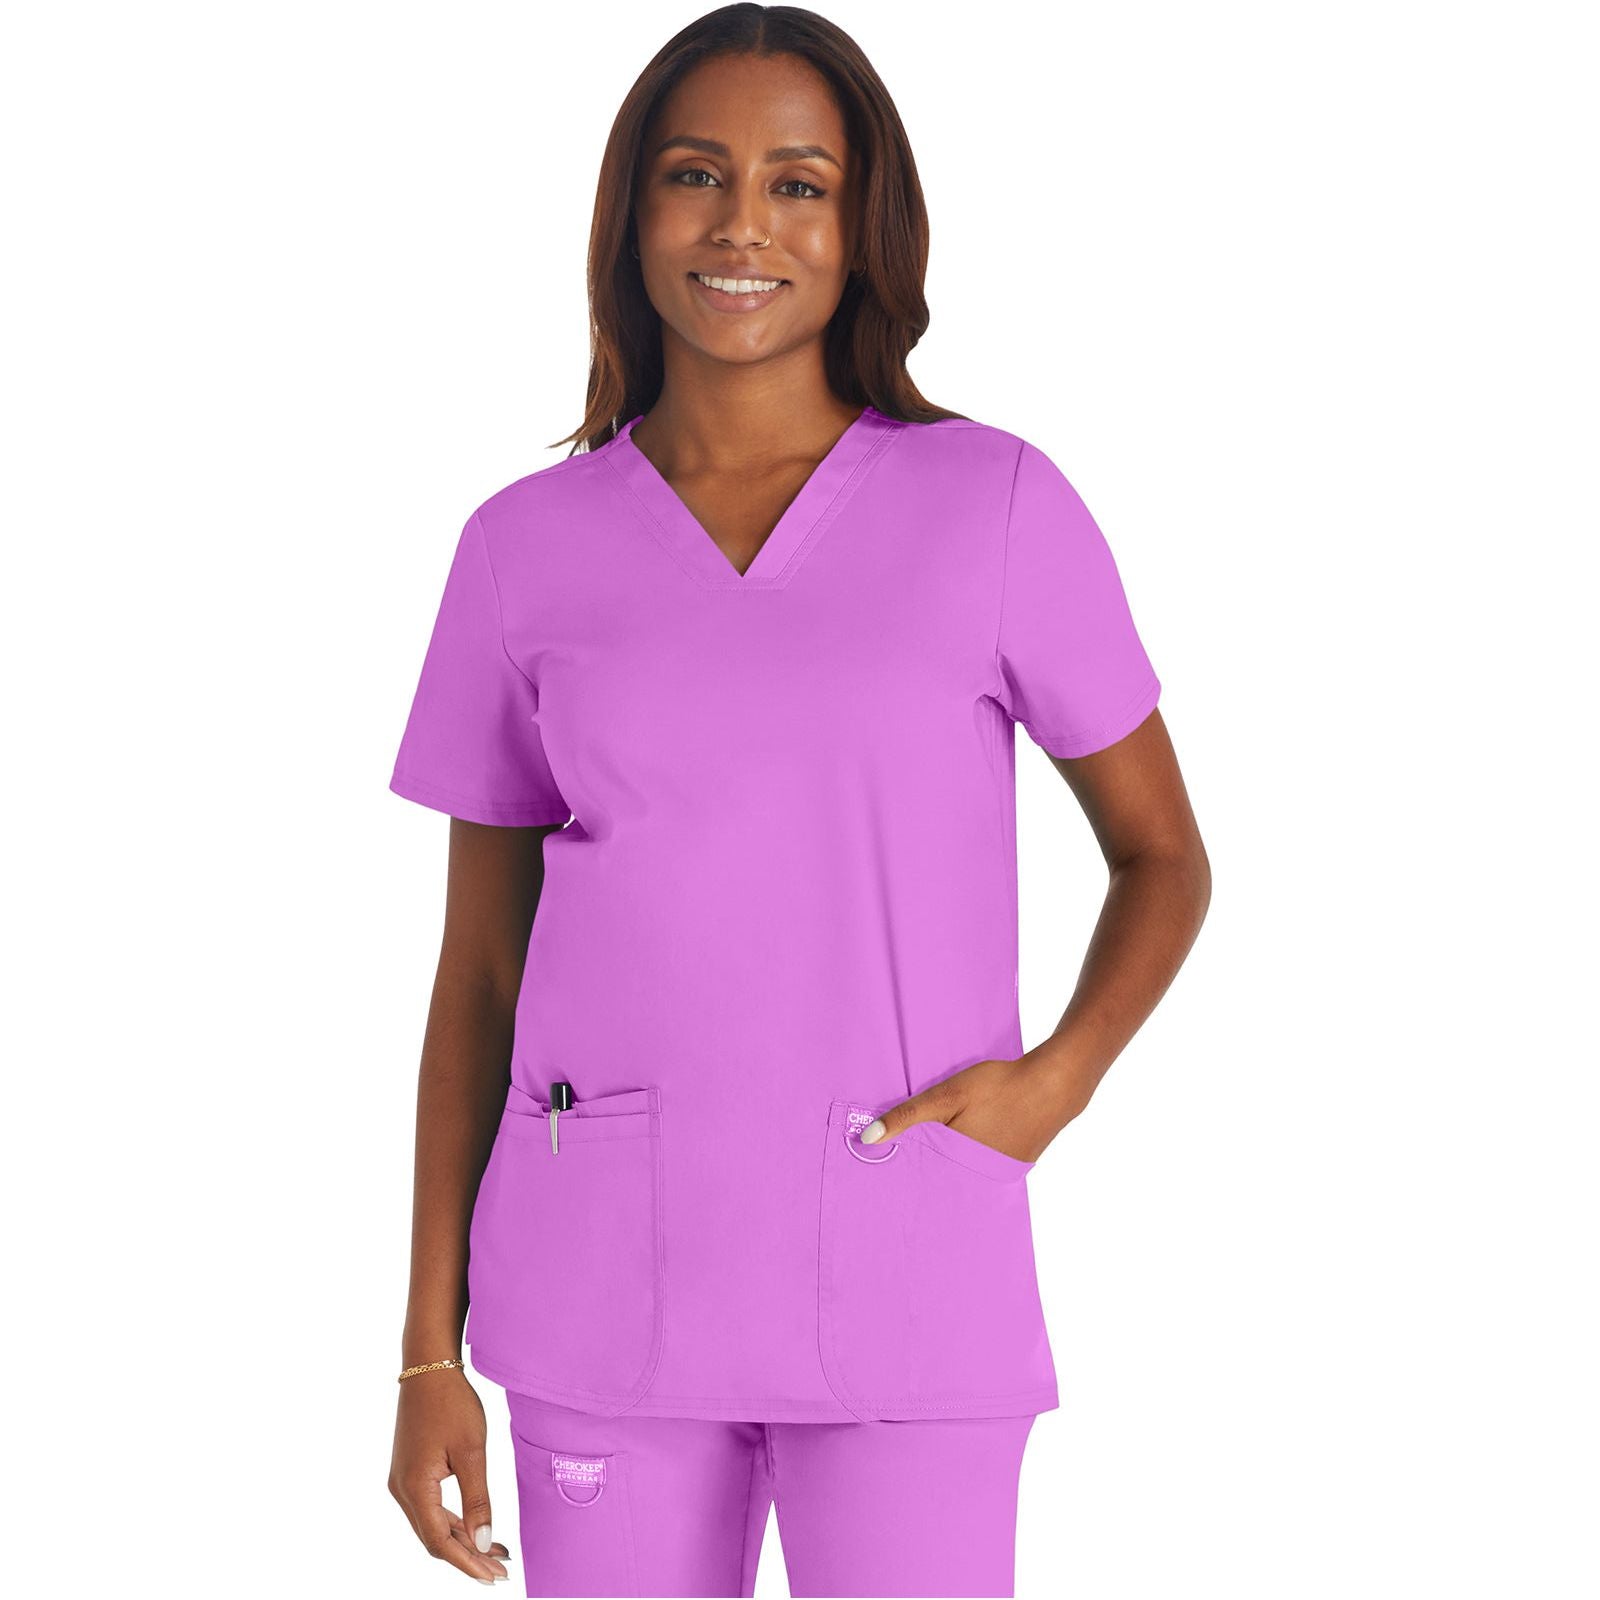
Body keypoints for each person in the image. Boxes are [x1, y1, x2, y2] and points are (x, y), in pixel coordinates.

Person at [384, 6, 1211, 1596]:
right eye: (697, 175)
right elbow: (479, 974)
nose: (743, 226)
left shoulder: (998, 507)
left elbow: (1162, 855)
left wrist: (1056, 1086)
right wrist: (428, 1352)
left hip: (912, 1267)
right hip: (603, 1286)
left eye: (799, 184)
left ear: (861, 224)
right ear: (633, 212)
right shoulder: (521, 549)